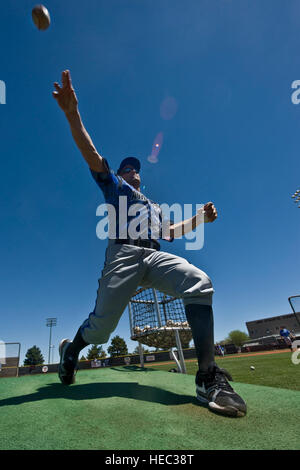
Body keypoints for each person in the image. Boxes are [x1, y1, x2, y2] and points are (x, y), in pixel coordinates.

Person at [53, 70, 247, 418]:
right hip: (124, 254)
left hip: (153, 255)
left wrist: (200, 218)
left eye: (136, 169)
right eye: (128, 168)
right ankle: (72, 350)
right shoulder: (118, 190)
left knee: (200, 282)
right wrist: (72, 115)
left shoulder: (154, 207)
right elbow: (92, 155)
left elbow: (171, 233)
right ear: (122, 175)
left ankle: (207, 378)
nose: (134, 172)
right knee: (101, 329)